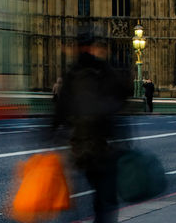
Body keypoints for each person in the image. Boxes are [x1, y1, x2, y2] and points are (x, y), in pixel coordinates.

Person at [53, 28, 127, 223]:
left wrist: (49, 135)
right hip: (103, 145)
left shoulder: (73, 73)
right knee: (105, 198)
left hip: (81, 146)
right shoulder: (105, 70)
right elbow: (122, 96)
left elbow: (60, 110)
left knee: (79, 194)